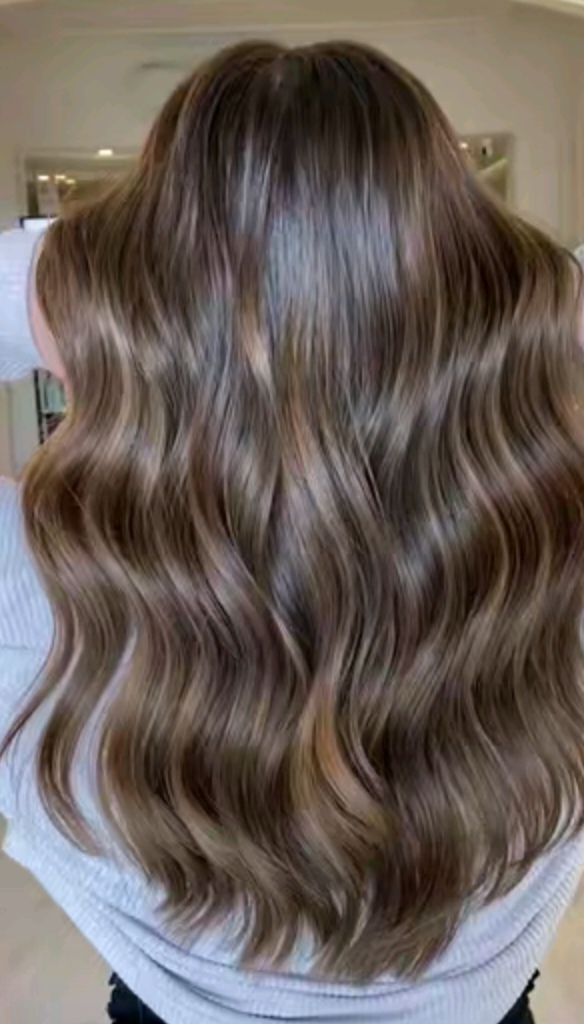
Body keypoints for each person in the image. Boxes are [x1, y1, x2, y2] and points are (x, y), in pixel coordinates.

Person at [0, 40, 583, 1024]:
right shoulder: (549, 563)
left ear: (122, 311)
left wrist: (61, 280)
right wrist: (536, 295)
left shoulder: (39, 585)